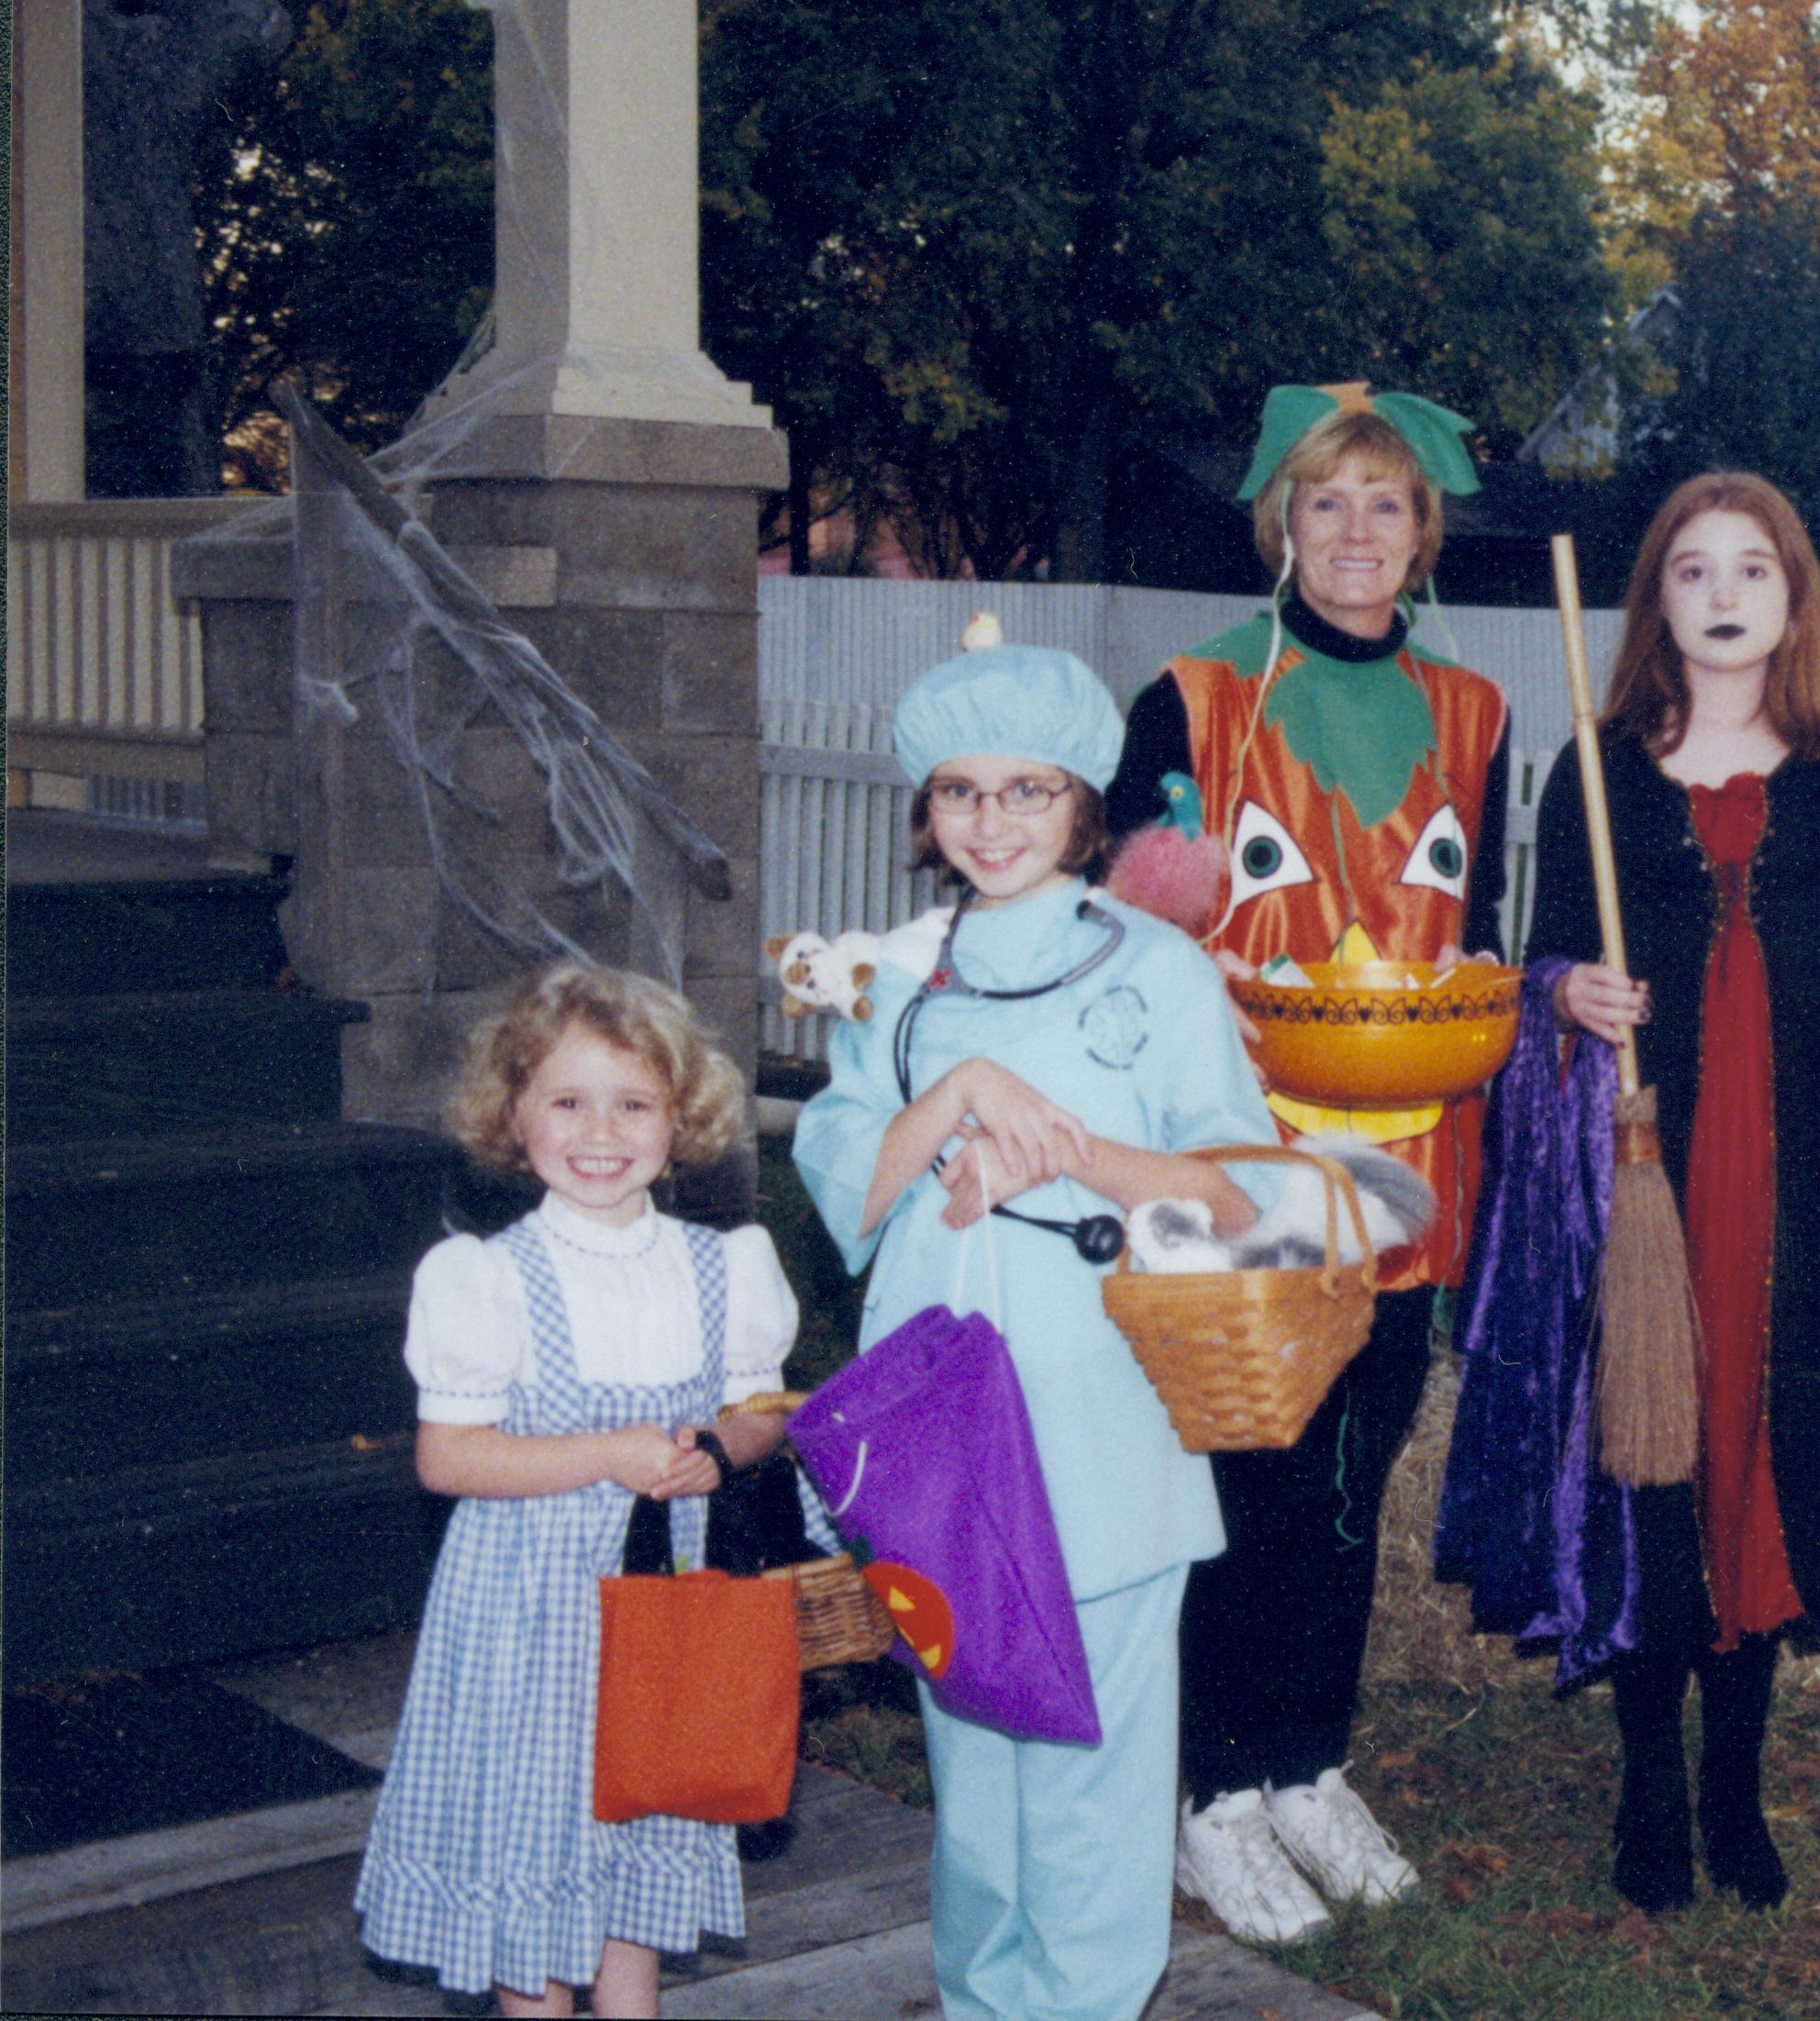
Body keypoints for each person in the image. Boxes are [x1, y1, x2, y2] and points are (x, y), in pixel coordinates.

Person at [793, 639, 1282, 2021]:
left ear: (1083, 804)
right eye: (958, 791)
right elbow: (848, 1186)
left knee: (1092, 1780)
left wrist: (1070, 1160)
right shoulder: (895, 988)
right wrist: (956, 1099)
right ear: (924, 810)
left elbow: (1245, 1193)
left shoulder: (1163, 973)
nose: (991, 822)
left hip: (1103, 1420)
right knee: (976, 1784)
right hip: (941, 1443)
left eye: (1026, 789)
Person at [1105, 382, 1511, 1943]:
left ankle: (1305, 1758)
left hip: (1414, 1163)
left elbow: (1477, 929)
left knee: (1357, 1468)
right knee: (1257, 1470)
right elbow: (1130, 938)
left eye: (1388, 504)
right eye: (1326, 501)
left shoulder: (1475, 712)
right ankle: (1210, 1788)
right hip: (1249, 1165)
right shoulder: (1196, 696)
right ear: (1281, 518)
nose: (1357, 531)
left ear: (1424, 535)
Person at [1532, 471, 1820, 1915]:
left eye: (1751, 570)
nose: (1720, 595)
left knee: (1762, 1449)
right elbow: (1528, 965)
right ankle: (1650, 1789)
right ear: (1654, 598)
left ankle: (1735, 1788)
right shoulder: (1590, 768)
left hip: (1789, 1171)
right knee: (1652, 1449)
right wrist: (1564, 991)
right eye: (1692, 570)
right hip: (1638, 1167)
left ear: (1793, 598)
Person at [354, 964, 795, 2019]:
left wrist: (721, 1450)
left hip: (669, 1606)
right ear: (513, 1116)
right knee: (539, 1866)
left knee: (641, 1856)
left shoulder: (721, 1263)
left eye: (633, 1102)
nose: (601, 1130)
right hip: (531, 1615)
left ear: (679, 1118)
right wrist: (604, 1453)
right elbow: (448, 1457)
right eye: (567, 1099)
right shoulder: (487, 1276)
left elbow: (766, 1414)